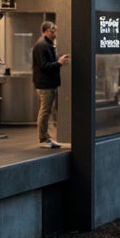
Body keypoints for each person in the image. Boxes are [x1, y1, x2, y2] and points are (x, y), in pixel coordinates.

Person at [32, 21, 70, 149]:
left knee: (46, 110)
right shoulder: (42, 45)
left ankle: (45, 137)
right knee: (45, 110)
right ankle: (44, 139)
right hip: (45, 83)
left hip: (48, 82)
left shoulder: (46, 44)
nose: (55, 33)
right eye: (53, 31)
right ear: (47, 31)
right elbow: (44, 66)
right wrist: (58, 63)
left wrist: (58, 59)